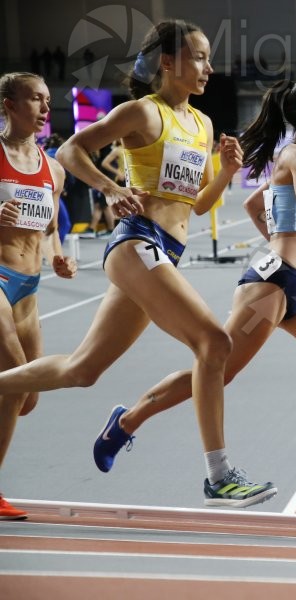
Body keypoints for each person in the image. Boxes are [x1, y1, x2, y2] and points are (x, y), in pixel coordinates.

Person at [92, 78, 296, 503]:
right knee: (218, 372)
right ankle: (128, 421)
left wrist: (278, 238)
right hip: (272, 287)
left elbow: (253, 204)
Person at [0, 20, 276, 508]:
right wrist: (110, 188)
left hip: (167, 250)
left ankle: (112, 424)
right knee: (214, 341)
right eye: (198, 57)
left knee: (83, 369)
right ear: (167, 63)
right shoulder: (141, 114)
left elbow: (198, 206)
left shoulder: (203, 124)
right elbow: (70, 149)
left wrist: (228, 172)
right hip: (136, 243)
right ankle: (219, 474)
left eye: (209, 58)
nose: (208, 67)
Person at [0, 72, 77, 520]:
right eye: (36, 99)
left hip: (28, 288)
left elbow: (49, 227)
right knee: (13, 376)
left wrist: (58, 256)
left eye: (49, 100)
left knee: (26, 396)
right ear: (9, 104)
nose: (46, 109)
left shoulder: (54, 169)